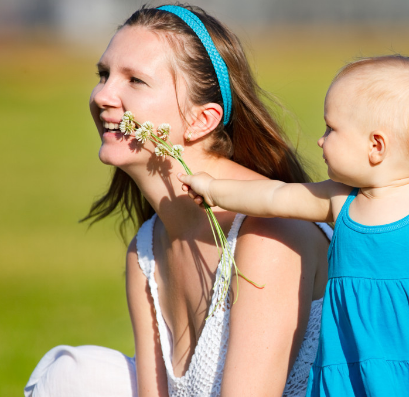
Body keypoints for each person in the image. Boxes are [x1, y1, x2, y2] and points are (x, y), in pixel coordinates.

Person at [177, 55, 409, 396]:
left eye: (331, 129)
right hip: (353, 363)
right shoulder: (340, 201)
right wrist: (216, 190)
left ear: (376, 145)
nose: (321, 139)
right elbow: (275, 197)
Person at [25, 4, 330, 397]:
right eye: (104, 74)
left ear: (201, 120)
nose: (102, 95)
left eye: (135, 80)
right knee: (71, 375)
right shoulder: (147, 250)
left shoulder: (269, 233)